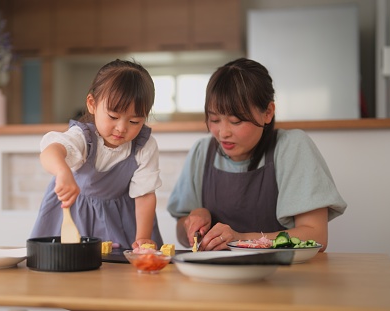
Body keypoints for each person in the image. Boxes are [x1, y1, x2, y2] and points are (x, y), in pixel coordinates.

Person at [167, 58, 347, 252]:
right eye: (214, 119)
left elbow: (315, 235)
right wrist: (193, 222)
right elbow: (181, 233)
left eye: (236, 121)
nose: (223, 132)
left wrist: (241, 239)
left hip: (283, 276)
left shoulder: (292, 147)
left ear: (268, 112)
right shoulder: (202, 151)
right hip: (215, 276)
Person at [30, 59, 163, 250]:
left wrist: (142, 238)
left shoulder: (144, 146)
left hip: (122, 219)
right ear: (92, 104)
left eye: (134, 121)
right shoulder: (83, 138)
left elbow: (145, 196)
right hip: (75, 214)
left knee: (118, 270)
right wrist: (62, 172)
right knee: (66, 262)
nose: (121, 128)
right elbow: (51, 151)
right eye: (113, 117)